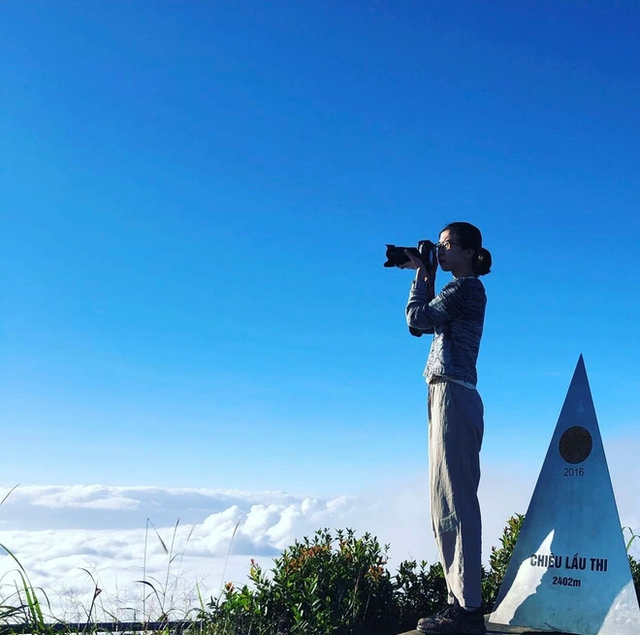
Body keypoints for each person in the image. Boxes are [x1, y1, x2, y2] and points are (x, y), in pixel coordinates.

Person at [403, 221, 492, 635]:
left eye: (446, 245)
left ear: (469, 250)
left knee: (456, 500)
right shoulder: (457, 290)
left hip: (454, 393)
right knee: (444, 502)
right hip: (445, 392)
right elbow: (419, 326)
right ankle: (459, 598)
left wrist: (423, 277)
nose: (440, 250)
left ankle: (468, 609)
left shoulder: (466, 289)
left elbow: (417, 318)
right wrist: (428, 276)